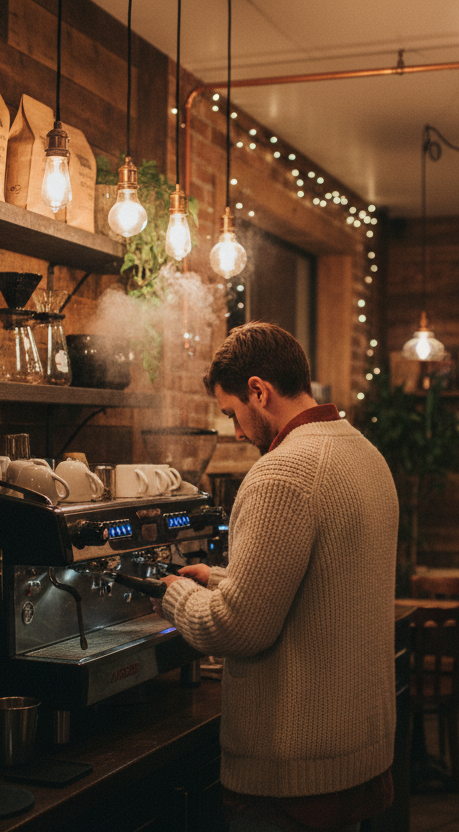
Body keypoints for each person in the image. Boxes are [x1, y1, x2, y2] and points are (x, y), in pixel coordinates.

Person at [156, 321, 400, 832]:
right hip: (355, 750)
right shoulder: (364, 452)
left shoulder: (282, 472)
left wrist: (178, 595)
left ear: (258, 390)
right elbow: (325, 586)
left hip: (294, 771)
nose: (238, 433)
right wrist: (221, 580)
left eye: (232, 415)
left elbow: (237, 629)